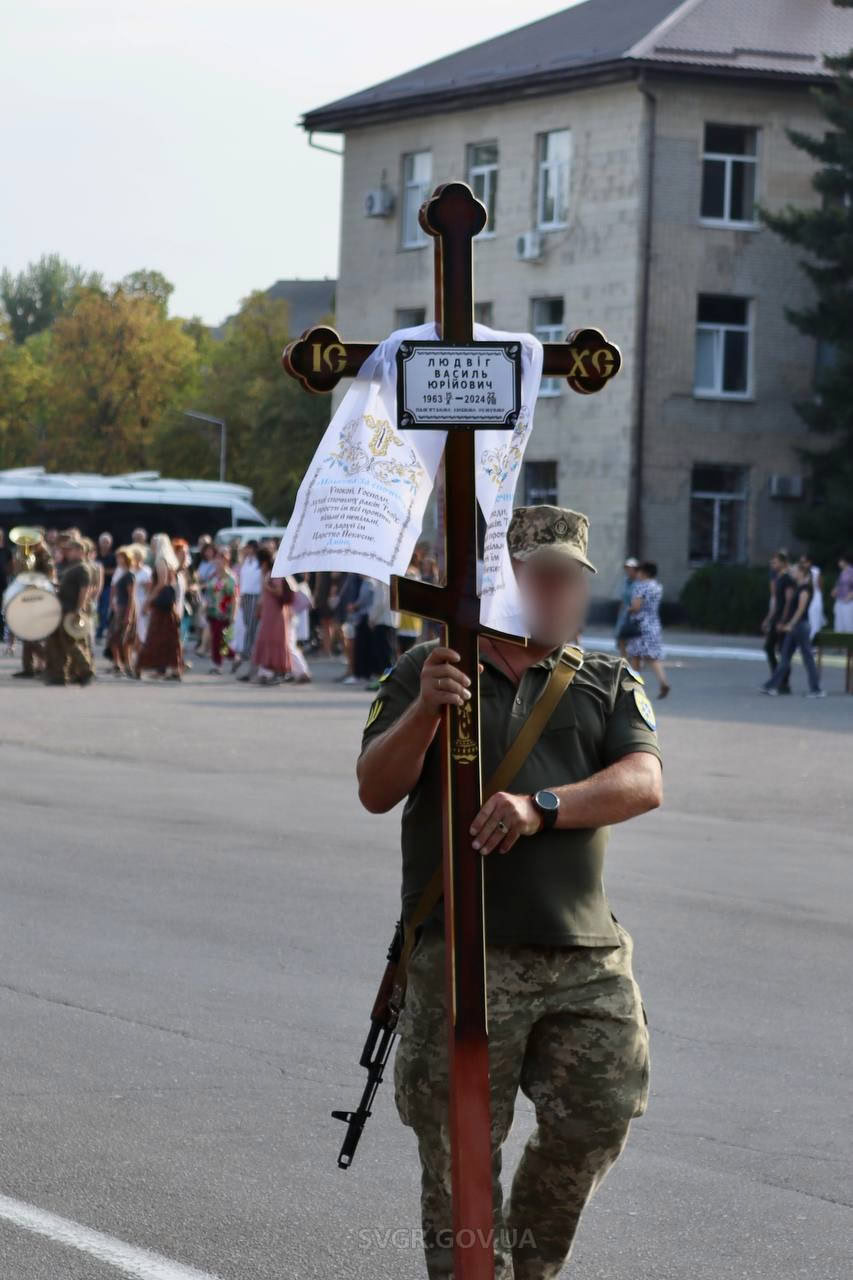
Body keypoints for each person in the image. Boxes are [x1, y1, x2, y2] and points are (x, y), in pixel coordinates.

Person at [357, 505, 661, 1280]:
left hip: (582, 956)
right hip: (462, 954)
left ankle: (522, 1267)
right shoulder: (427, 670)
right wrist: (426, 708)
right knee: (458, 1147)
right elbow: (375, 788)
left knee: (597, 1116)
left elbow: (642, 781)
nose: (562, 595)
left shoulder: (602, 680)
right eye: (544, 577)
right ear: (502, 583)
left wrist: (541, 808)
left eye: (571, 580)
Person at [762, 562, 825, 696]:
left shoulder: (805, 589)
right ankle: (773, 685)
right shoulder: (798, 587)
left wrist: (791, 623)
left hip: (801, 627)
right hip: (794, 627)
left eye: (796, 571)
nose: (793, 573)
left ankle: (816, 689)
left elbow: (801, 609)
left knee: (807, 658)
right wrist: (787, 623)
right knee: (785, 657)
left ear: (802, 573)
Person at [43, 537, 95, 686]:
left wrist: (78, 609)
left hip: (70, 609)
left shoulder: (82, 568)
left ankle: (86, 670)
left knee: (70, 642)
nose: (67, 553)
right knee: (57, 642)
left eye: (70, 550)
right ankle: (59, 675)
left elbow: (84, 590)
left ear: (79, 551)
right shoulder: (71, 567)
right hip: (62, 608)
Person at [135, 533, 182, 680]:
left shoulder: (161, 560)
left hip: (161, 605)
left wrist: (148, 600)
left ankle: (140, 667)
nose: (151, 546)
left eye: (154, 543)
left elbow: (161, 583)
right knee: (169, 638)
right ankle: (172, 669)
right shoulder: (170, 561)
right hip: (168, 604)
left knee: (155, 636)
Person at [246, 548, 292, 684]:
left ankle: (279, 671)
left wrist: (267, 586)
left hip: (276, 614)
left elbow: (279, 591)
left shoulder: (275, 574)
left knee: (275, 641)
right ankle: (265, 671)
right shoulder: (267, 573)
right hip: (269, 613)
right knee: (265, 639)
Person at [625, 561, 670, 698]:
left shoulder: (641, 587)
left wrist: (628, 609)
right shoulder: (657, 587)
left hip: (640, 626)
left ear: (644, 573)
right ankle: (663, 681)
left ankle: (633, 688)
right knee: (653, 657)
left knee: (635, 657)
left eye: (639, 571)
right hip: (653, 624)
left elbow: (636, 607)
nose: (637, 574)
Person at [761, 550, 795, 693]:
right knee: (769, 648)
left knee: (782, 651)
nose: (772, 564)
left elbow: (788, 601)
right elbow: (776, 601)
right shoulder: (779, 578)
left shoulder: (787, 579)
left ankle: (783, 683)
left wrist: (783, 620)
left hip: (782, 620)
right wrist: (768, 618)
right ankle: (777, 678)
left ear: (783, 563)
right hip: (776, 618)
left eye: (775, 562)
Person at [204, 548, 237, 674]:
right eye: (217, 558)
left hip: (224, 613)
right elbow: (209, 592)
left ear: (226, 560)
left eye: (221, 558)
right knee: (218, 639)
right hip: (213, 612)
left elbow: (235, 598)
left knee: (220, 639)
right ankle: (232, 658)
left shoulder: (231, 578)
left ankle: (218, 664)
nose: (218, 561)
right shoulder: (213, 576)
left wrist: (233, 614)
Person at [107, 547, 136, 677]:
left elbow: (131, 596)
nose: (118, 560)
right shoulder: (120, 573)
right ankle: (119, 664)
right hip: (118, 608)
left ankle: (128, 665)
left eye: (121, 557)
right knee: (114, 638)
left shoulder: (129, 575)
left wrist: (129, 614)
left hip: (125, 609)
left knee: (124, 639)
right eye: (118, 557)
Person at [234, 540, 263, 675]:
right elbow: (241, 580)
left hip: (255, 595)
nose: (246, 550)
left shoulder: (259, 563)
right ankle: (248, 648)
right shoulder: (246, 562)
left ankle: (247, 650)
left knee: (251, 623)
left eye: (248, 548)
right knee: (246, 623)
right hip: (245, 595)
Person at [615, 556, 640, 658]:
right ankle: (624, 660)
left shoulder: (639, 582)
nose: (628, 571)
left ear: (635, 570)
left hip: (635, 614)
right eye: (627, 568)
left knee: (633, 639)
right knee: (621, 637)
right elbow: (622, 597)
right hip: (624, 613)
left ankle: (635, 661)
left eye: (630, 568)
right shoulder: (625, 581)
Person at [95, 532, 116, 641]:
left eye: (107, 542)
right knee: (97, 610)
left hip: (108, 586)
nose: (105, 544)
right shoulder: (96, 556)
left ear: (110, 544)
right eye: (103, 542)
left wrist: (102, 571)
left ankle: (100, 632)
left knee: (104, 610)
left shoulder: (113, 557)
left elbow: (115, 571)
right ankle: (101, 628)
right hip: (95, 586)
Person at [799, 553, 825, 639]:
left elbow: (820, 586)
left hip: (815, 598)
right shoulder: (800, 572)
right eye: (802, 562)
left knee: (814, 620)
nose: (803, 564)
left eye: (804, 562)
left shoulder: (815, 571)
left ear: (809, 562)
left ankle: (814, 640)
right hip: (805, 598)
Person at [831, 552, 853, 632]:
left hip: (848, 602)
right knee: (839, 625)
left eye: (840, 561)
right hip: (839, 601)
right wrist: (834, 591)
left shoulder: (851, 572)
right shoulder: (841, 573)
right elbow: (839, 585)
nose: (839, 563)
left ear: (845, 561)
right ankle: (840, 644)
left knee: (848, 624)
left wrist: (850, 596)